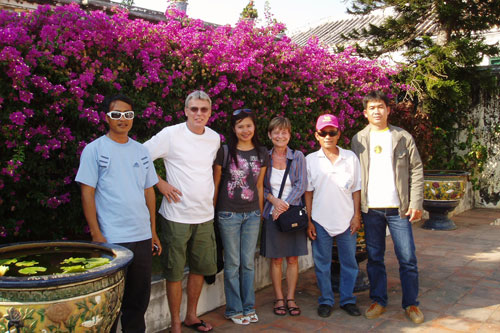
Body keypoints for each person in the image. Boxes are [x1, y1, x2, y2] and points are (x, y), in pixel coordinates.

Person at [76, 94, 161, 333]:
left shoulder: (141, 151)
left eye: (128, 114)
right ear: (107, 118)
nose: (123, 119)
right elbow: (87, 193)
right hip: (112, 239)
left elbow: (149, 192)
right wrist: (96, 234)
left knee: (138, 302)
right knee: (110, 304)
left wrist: (153, 231)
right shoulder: (94, 150)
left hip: (142, 237)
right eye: (116, 115)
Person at [144, 91, 219, 333]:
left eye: (204, 110)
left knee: (199, 268)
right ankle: (175, 322)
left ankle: (191, 316)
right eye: (194, 109)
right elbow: (140, 156)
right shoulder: (170, 134)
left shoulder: (214, 138)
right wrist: (159, 183)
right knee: (174, 272)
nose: (199, 114)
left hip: (205, 216)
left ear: (209, 112)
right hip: (176, 216)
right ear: (185, 110)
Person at [351, 90, 424, 324]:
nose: (377, 111)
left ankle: (411, 303)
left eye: (380, 106)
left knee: (407, 258)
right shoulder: (358, 140)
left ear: (388, 110)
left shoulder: (402, 137)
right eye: (372, 107)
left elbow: (416, 169)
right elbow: (353, 176)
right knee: (374, 258)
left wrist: (415, 202)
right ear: (365, 113)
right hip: (371, 209)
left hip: (398, 209)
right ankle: (378, 300)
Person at [213, 108, 268, 325]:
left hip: (253, 214)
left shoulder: (262, 153)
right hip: (228, 214)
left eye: (248, 125)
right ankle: (234, 309)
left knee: (248, 263)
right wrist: (213, 211)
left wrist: (261, 212)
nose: (245, 130)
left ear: (254, 127)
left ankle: (248, 306)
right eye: (240, 126)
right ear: (234, 129)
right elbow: (216, 184)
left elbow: (260, 185)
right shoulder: (225, 151)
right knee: (233, 263)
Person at [305, 114, 362, 318]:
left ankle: (347, 300)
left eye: (332, 132)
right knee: (322, 264)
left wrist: (356, 215)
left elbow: (356, 189)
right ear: (317, 136)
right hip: (320, 221)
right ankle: (326, 300)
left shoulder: (350, 158)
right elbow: (308, 192)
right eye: (323, 133)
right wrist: (309, 221)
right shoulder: (310, 160)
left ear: (339, 134)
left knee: (349, 263)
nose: (328, 136)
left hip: (347, 220)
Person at [260, 116, 308, 317]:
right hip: (272, 215)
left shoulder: (297, 157)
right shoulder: (265, 157)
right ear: (270, 135)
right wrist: (274, 201)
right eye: (276, 132)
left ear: (289, 134)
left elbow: (301, 184)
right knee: (277, 260)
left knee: (293, 259)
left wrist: (285, 205)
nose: (280, 136)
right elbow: (260, 186)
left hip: (292, 214)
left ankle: (290, 298)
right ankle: (279, 298)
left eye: (284, 132)